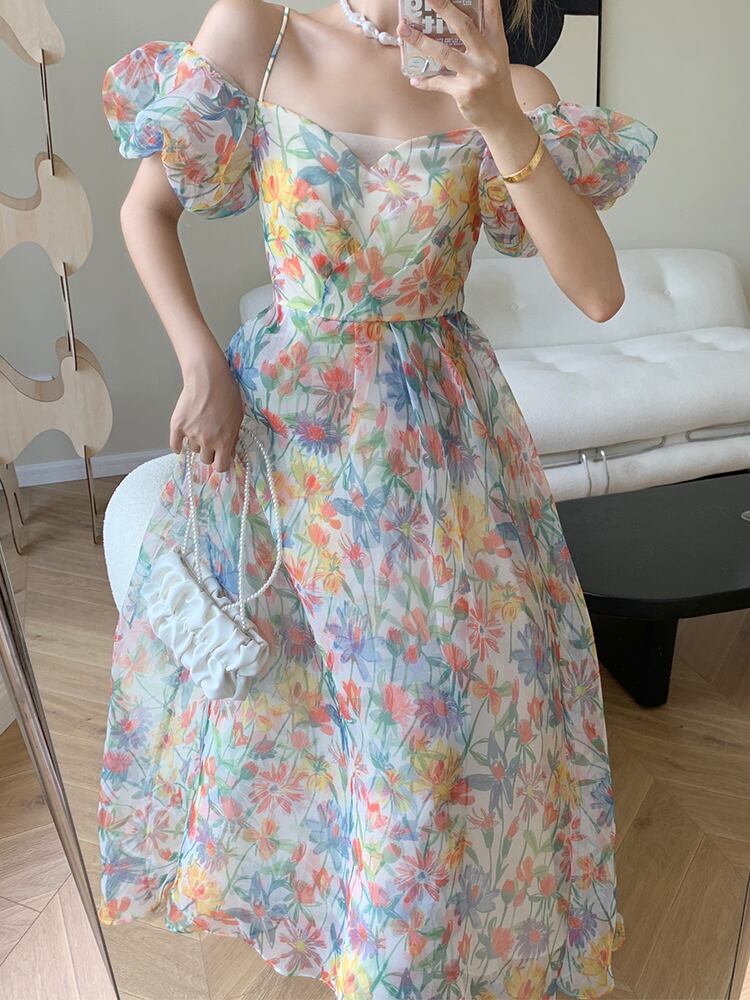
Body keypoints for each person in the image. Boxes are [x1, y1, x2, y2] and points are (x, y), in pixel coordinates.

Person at [98, 1, 657, 997]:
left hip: (440, 456)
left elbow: (600, 292)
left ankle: (403, 965)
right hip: (289, 448)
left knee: (427, 729)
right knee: (311, 720)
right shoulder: (262, 29)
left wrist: (499, 114)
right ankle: (361, 943)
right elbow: (146, 210)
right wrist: (198, 360)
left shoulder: (507, 88)